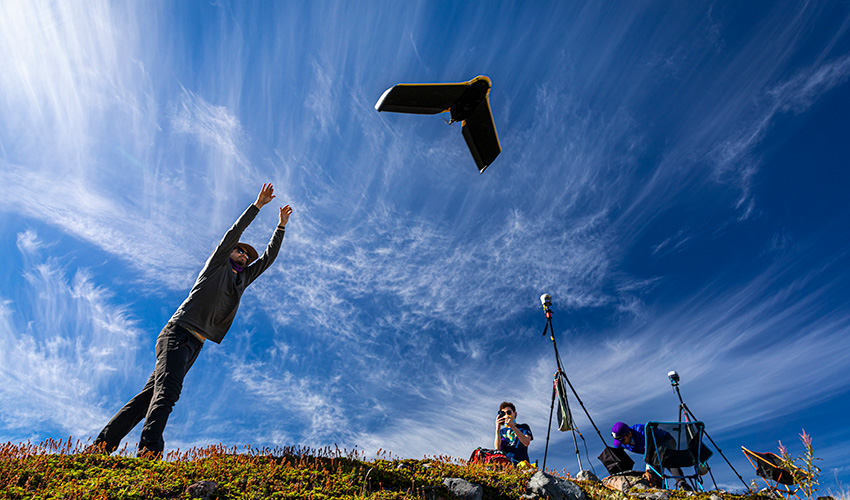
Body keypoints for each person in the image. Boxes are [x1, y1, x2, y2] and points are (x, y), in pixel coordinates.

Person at [92, 183, 292, 457]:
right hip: (177, 333)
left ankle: (102, 446)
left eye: (246, 255)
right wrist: (257, 206)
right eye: (240, 251)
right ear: (230, 252)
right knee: (168, 392)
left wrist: (280, 227)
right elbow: (233, 233)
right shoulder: (217, 264)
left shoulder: (242, 279)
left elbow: (268, 258)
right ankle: (149, 451)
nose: (244, 255)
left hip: (195, 344)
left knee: (147, 399)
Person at [611, 422, 691, 490]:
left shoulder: (642, 432)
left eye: (623, 440)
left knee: (666, 459)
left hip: (664, 441)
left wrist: (648, 470)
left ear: (629, 434)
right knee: (656, 467)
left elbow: (650, 450)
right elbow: (617, 453)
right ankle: (661, 488)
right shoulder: (622, 442)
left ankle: (682, 484)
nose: (621, 443)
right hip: (654, 453)